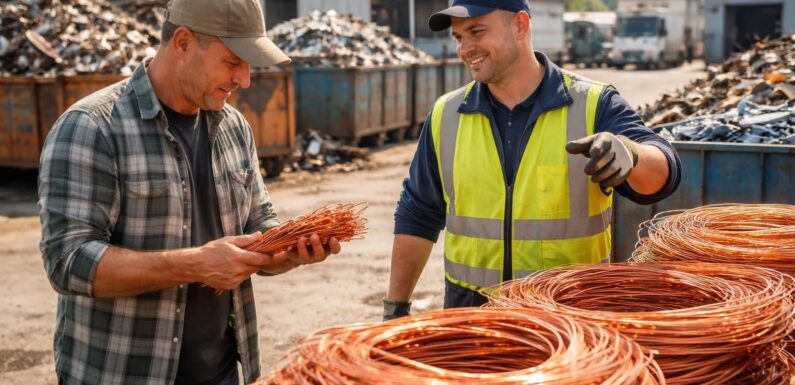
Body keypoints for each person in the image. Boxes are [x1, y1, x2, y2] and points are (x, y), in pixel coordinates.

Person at [37, 0, 340, 384]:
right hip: (121, 373)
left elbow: (260, 227)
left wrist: (288, 251)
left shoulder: (234, 127)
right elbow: (68, 261)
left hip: (223, 373)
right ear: (183, 43)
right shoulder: (92, 128)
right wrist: (196, 264)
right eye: (233, 62)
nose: (245, 79)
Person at [383, 0, 681, 320]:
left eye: (476, 32)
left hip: (571, 318)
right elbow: (418, 214)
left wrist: (631, 152)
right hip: (472, 321)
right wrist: (395, 308)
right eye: (458, 37)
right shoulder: (446, 114)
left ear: (520, 25)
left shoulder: (594, 104)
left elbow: (663, 175)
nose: (465, 48)